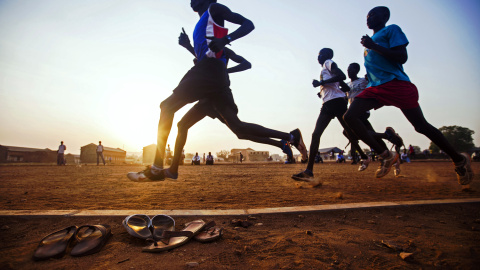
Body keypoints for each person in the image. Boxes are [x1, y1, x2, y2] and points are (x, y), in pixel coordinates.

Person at [127, 0, 307, 181]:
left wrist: (225, 40)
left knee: (167, 107)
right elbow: (204, 53)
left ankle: (157, 168)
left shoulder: (214, 9)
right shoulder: (203, 23)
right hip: (212, 78)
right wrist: (188, 46)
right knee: (237, 129)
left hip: (209, 72)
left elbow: (248, 24)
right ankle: (291, 136)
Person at [343, 6, 473, 184]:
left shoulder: (391, 30)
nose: (369, 18)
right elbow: (377, 66)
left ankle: (458, 160)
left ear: (385, 16)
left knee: (421, 126)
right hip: (377, 88)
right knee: (349, 116)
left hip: (397, 84)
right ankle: (385, 155)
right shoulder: (369, 43)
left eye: (373, 14)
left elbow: (401, 57)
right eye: (367, 15)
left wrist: (374, 46)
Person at [291, 48, 370, 182]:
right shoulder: (326, 69)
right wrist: (323, 90)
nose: (318, 57)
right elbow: (344, 86)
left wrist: (321, 83)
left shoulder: (328, 62)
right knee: (319, 134)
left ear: (326, 55)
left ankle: (365, 155)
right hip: (328, 104)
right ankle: (309, 171)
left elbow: (341, 76)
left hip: (337, 103)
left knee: (347, 132)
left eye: (320, 54)